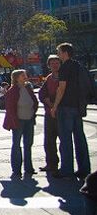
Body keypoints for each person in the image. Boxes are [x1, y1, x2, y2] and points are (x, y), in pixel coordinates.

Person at [51, 42, 91, 179]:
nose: (57, 54)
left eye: (59, 52)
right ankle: (84, 168)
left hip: (66, 106)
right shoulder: (78, 66)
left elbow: (61, 89)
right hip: (78, 106)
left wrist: (55, 106)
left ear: (64, 53)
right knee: (80, 138)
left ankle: (66, 170)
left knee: (66, 139)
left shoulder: (65, 68)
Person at [3, 69, 38, 178]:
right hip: (18, 121)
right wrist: (15, 121)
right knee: (16, 145)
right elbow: (10, 108)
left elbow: (34, 101)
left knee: (28, 144)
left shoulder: (28, 88)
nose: (25, 77)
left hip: (29, 120)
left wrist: (33, 112)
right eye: (23, 75)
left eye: (25, 75)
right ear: (17, 78)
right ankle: (16, 169)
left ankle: (29, 168)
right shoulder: (12, 91)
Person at [38, 55, 61, 173]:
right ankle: (51, 163)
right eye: (52, 63)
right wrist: (49, 103)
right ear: (49, 65)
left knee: (64, 140)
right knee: (49, 140)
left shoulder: (64, 77)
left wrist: (56, 106)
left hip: (62, 113)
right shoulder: (48, 78)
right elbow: (42, 94)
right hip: (49, 113)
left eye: (57, 63)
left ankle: (66, 165)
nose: (55, 65)